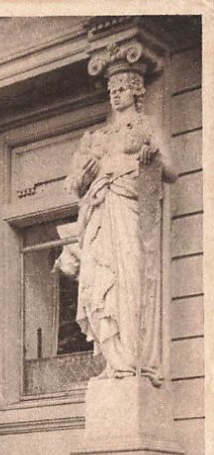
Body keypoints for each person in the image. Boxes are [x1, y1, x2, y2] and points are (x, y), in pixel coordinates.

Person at [61, 67, 177, 386]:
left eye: (123, 87)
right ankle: (115, 360)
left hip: (129, 209)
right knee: (99, 282)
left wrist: (150, 156)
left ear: (137, 91)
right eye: (112, 89)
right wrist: (85, 174)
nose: (116, 93)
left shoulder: (147, 126)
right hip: (100, 212)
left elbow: (171, 171)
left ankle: (132, 358)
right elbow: (74, 184)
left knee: (129, 281)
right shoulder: (99, 136)